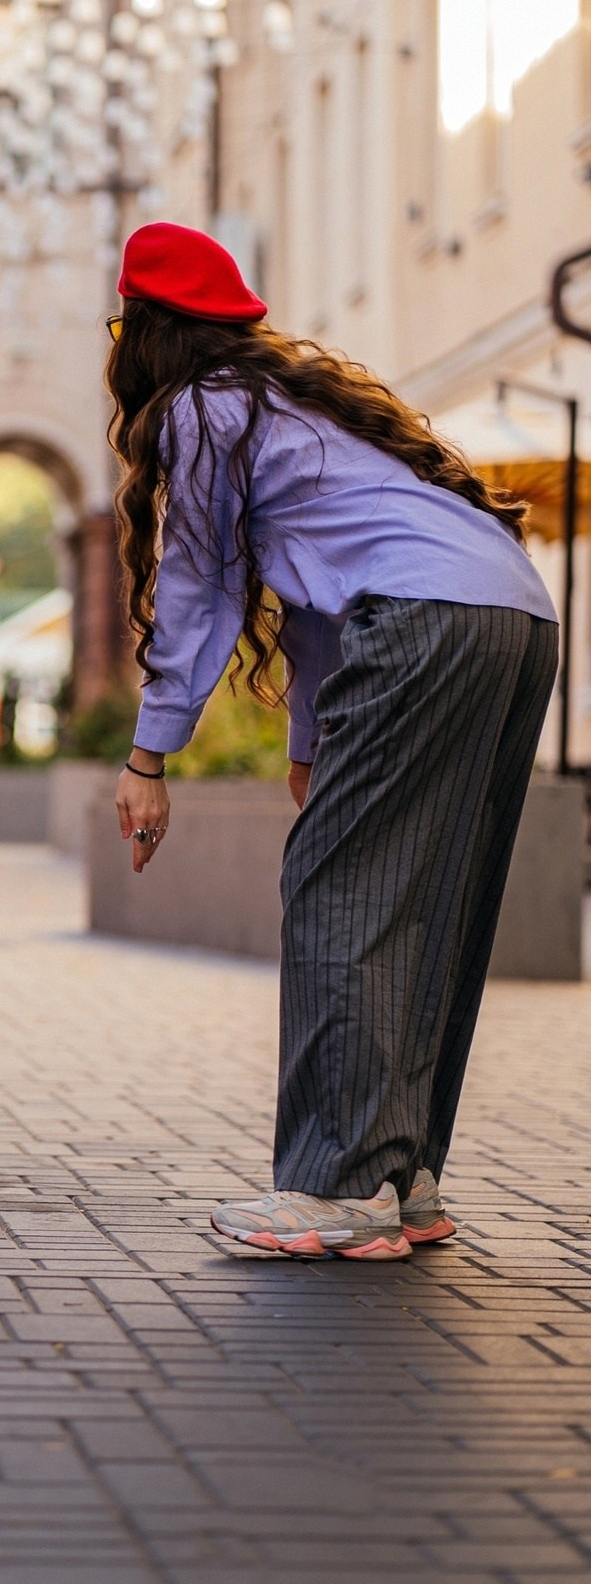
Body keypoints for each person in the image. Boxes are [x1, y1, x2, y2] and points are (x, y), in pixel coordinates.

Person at [108, 221, 557, 1262]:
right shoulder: (296, 402)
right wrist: (308, 745)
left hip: (415, 621)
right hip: (509, 615)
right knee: (436, 895)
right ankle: (401, 1178)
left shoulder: (200, 409)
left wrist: (148, 756)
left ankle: (335, 1186)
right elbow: (319, 602)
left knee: (340, 894)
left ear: (142, 332)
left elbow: (201, 587)